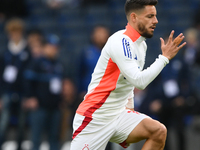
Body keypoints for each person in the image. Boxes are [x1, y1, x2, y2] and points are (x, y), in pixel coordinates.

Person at [70, 0, 187, 149]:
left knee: (158, 131)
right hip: (95, 117)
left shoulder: (141, 45)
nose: (156, 21)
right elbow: (139, 81)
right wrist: (164, 58)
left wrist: (130, 111)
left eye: (155, 16)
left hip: (119, 115)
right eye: (150, 16)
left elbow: (129, 82)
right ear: (134, 17)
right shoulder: (121, 41)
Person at [23, 34, 64, 150]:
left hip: (55, 106)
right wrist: (30, 97)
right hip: (39, 106)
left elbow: (59, 86)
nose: (53, 50)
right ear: (45, 47)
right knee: (36, 138)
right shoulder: (37, 63)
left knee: (54, 138)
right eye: (51, 46)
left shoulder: (58, 64)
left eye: (56, 47)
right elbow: (28, 82)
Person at [0, 18, 31, 150]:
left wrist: (28, 95)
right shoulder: (5, 51)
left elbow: (29, 75)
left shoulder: (27, 52)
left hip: (22, 92)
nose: (15, 35)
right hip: (7, 91)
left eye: (17, 32)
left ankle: (19, 146)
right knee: (4, 121)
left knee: (21, 123)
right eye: (12, 33)